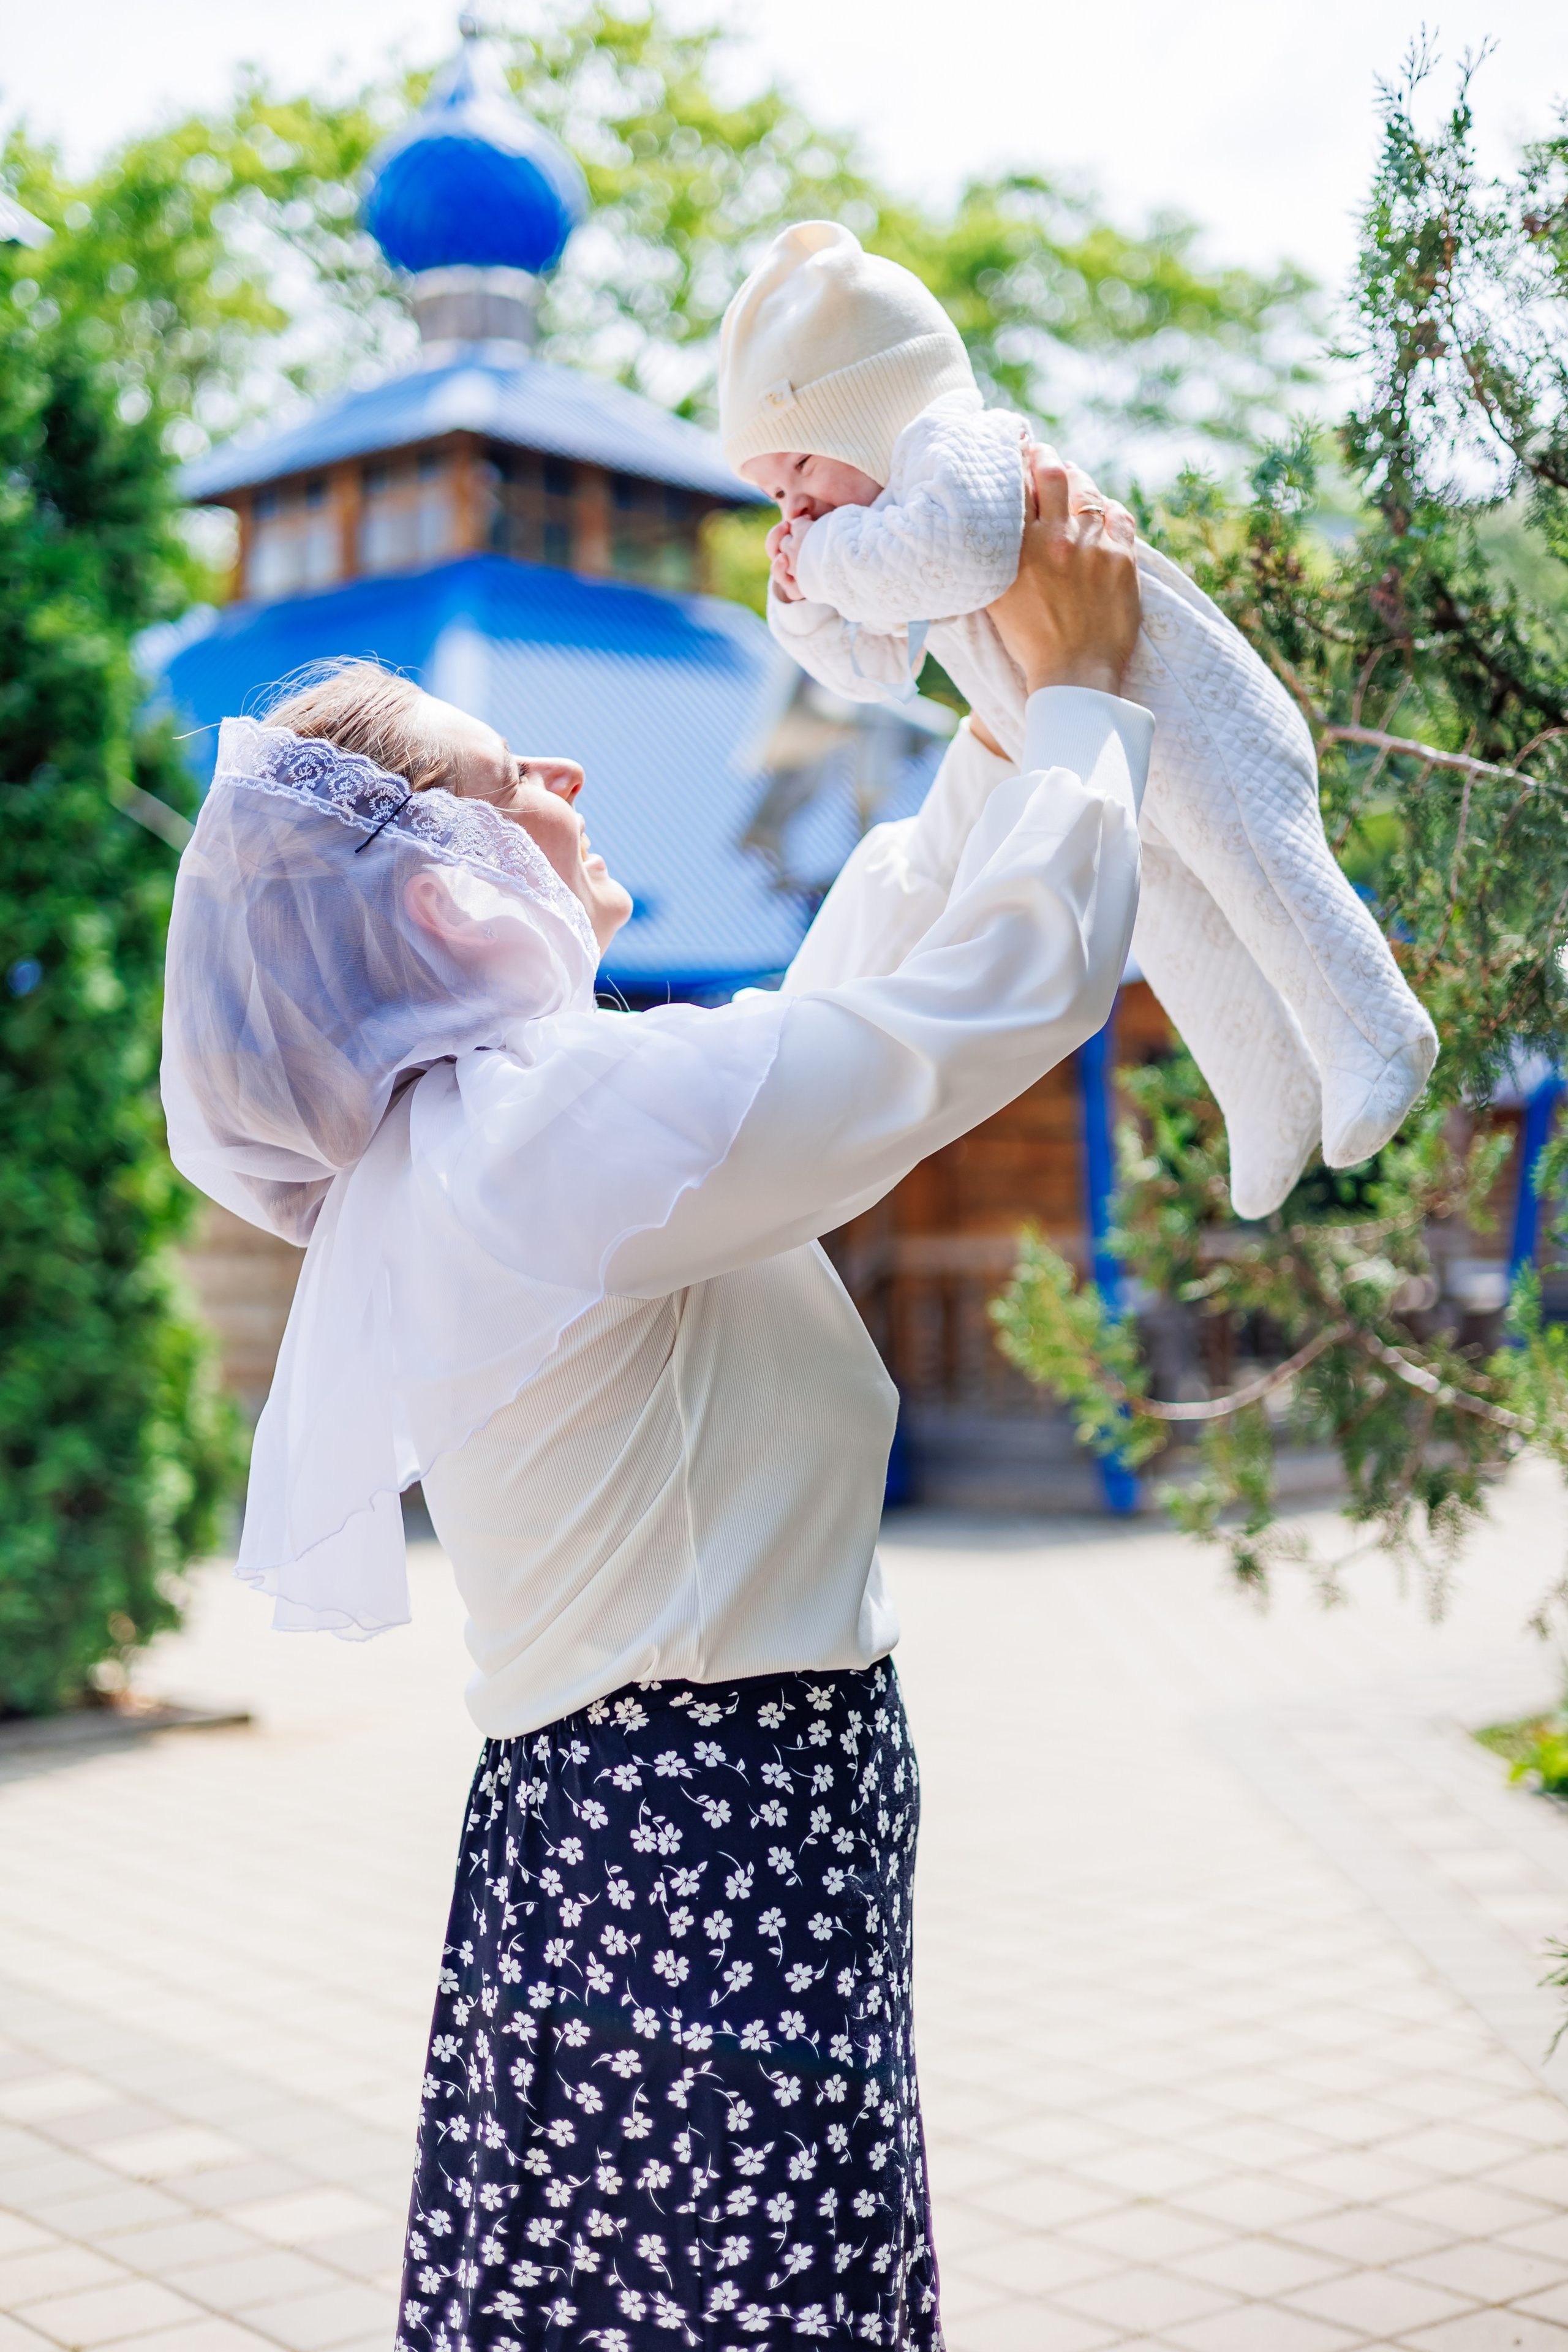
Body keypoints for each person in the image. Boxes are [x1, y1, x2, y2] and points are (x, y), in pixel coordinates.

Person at [161, 451, 1144, 2352]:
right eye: (511, 772)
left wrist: (1013, 681)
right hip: (704, 1834)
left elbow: (852, 990)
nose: (572, 780)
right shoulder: (537, 1135)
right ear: (440, 900)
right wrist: (1088, 697)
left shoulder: (504, 1126)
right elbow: (963, 1018)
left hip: (633, 1828)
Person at [719, 219, 1438, 1221]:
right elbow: (875, 662)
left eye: (799, 471)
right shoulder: (891, 525)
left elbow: (959, 556)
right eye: (773, 498)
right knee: (1177, 932)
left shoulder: (958, 452)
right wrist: (801, 596)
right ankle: (1270, 1091)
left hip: (1190, 712)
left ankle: (1376, 1030)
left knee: (1257, 868)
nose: (794, 510)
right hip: (1101, 734)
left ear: (862, 410)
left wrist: (831, 558)